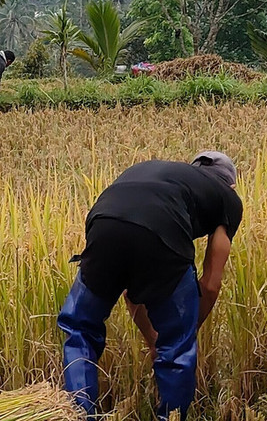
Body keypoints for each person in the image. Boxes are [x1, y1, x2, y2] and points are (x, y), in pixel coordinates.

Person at [58, 152, 243, 421]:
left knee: (79, 328)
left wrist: (153, 340)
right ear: (231, 186)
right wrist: (180, 336)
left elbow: (131, 290)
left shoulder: (161, 173)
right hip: (161, 232)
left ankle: (77, 414)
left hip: (104, 223)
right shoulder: (227, 199)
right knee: (177, 353)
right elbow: (211, 283)